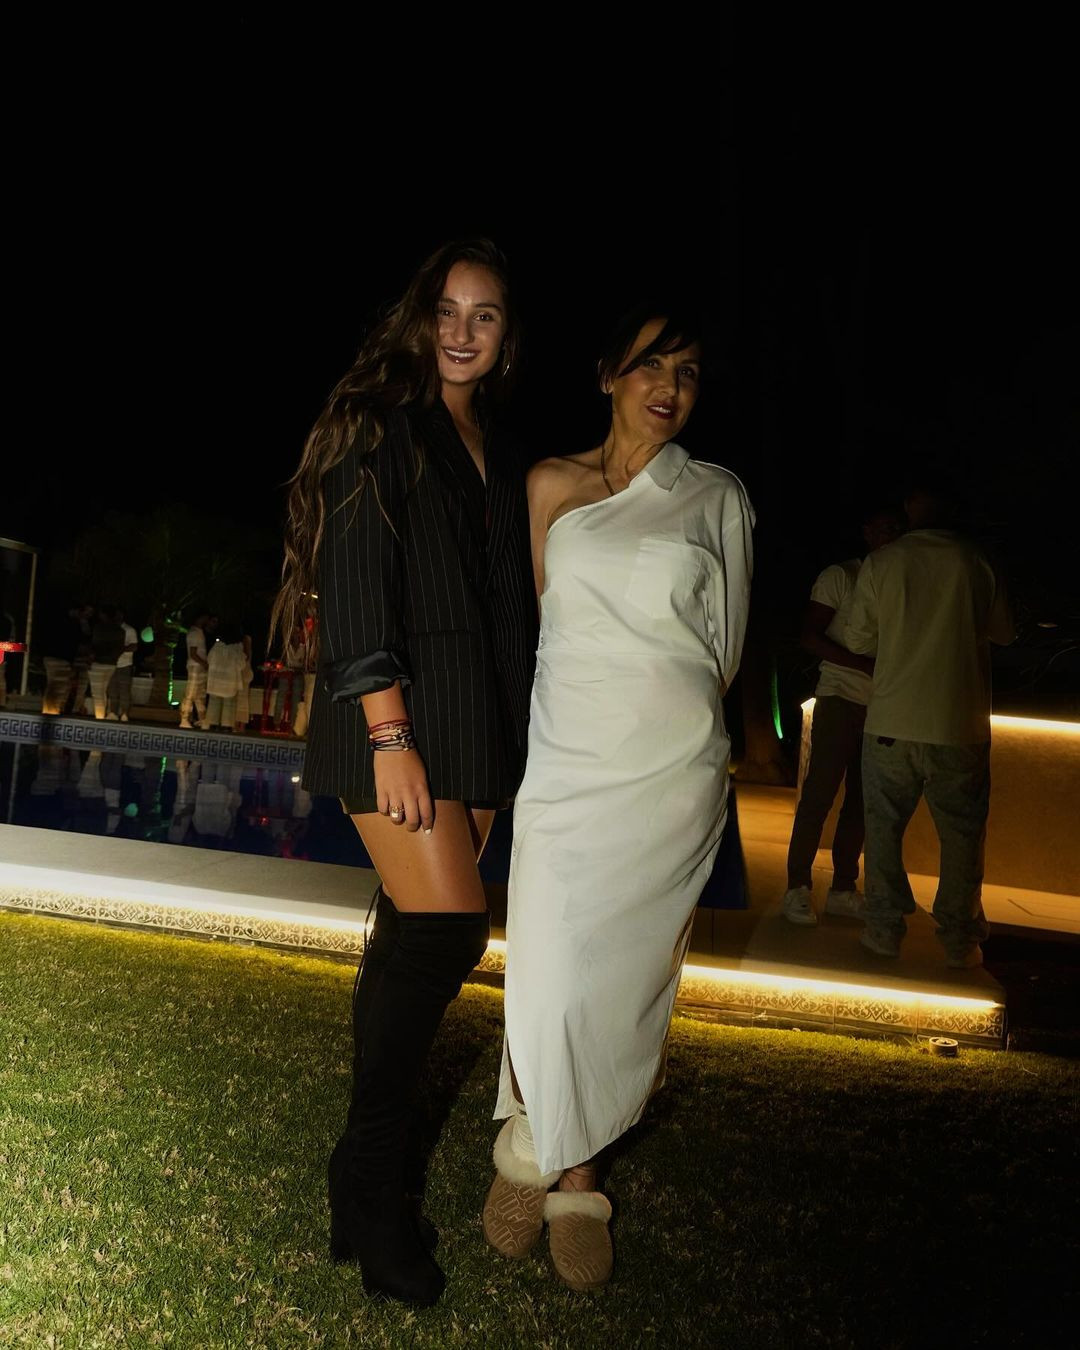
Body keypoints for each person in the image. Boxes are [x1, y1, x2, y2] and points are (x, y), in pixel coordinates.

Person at [272, 238, 535, 1307]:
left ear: (507, 336)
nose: (464, 332)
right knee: (444, 934)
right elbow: (354, 576)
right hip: (398, 717)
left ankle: (358, 1183)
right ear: (419, 318)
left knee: (407, 938)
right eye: (448, 310)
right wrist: (389, 731)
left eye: (486, 314)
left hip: (476, 725)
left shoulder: (497, 445)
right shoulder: (377, 422)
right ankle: (374, 1187)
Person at [482, 308, 754, 1292]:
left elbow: (723, 652)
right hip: (567, 767)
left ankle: (574, 1180)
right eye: (651, 365)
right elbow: (547, 627)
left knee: (627, 990)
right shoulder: (549, 485)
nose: (669, 387)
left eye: (689, 371)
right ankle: (530, 1144)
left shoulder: (717, 496)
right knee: (549, 968)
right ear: (608, 374)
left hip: (669, 778)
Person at [845, 480, 1015, 968]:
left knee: (883, 830)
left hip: (892, 718)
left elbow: (858, 639)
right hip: (959, 722)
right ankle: (960, 940)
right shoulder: (977, 560)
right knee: (962, 836)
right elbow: (1004, 633)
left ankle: (883, 929)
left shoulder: (884, 561)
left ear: (909, 508)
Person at [781, 503, 905, 925]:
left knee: (862, 801)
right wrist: (864, 665)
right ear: (867, 531)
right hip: (840, 696)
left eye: (898, 529)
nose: (891, 536)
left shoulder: (902, 584)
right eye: (884, 527)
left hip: (883, 705)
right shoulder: (842, 576)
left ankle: (843, 888)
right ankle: (798, 886)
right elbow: (810, 637)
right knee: (820, 793)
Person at [204, 622, 248, 731]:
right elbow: (242, 664)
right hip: (230, 683)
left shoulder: (217, 646)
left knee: (214, 705)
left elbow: (209, 660)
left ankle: (212, 726)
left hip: (216, 682)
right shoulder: (237, 647)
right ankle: (226, 727)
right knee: (229, 707)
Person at [178, 611, 216, 729]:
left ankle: (202, 719)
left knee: (200, 694)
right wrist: (204, 663)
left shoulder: (198, 632)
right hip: (195, 666)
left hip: (199, 666)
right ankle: (184, 719)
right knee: (191, 693)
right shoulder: (195, 633)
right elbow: (193, 653)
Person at [88, 605, 126, 721]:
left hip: (98, 662)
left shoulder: (99, 628)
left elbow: (95, 645)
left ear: (103, 615)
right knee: (103, 691)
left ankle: (99, 718)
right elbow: (120, 648)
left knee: (97, 693)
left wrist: (91, 656)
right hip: (111, 663)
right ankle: (102, 716)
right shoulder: (120, 630)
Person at [106, 608, 139, 722]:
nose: (116, 617)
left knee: (124, 690)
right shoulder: (110, 629)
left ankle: (124, 713)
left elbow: (134, 646)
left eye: (118, 615)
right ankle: (113, 712)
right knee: (112, 690)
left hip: (125, 664)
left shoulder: (129, 630)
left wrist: (120, 649)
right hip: (111, 664)